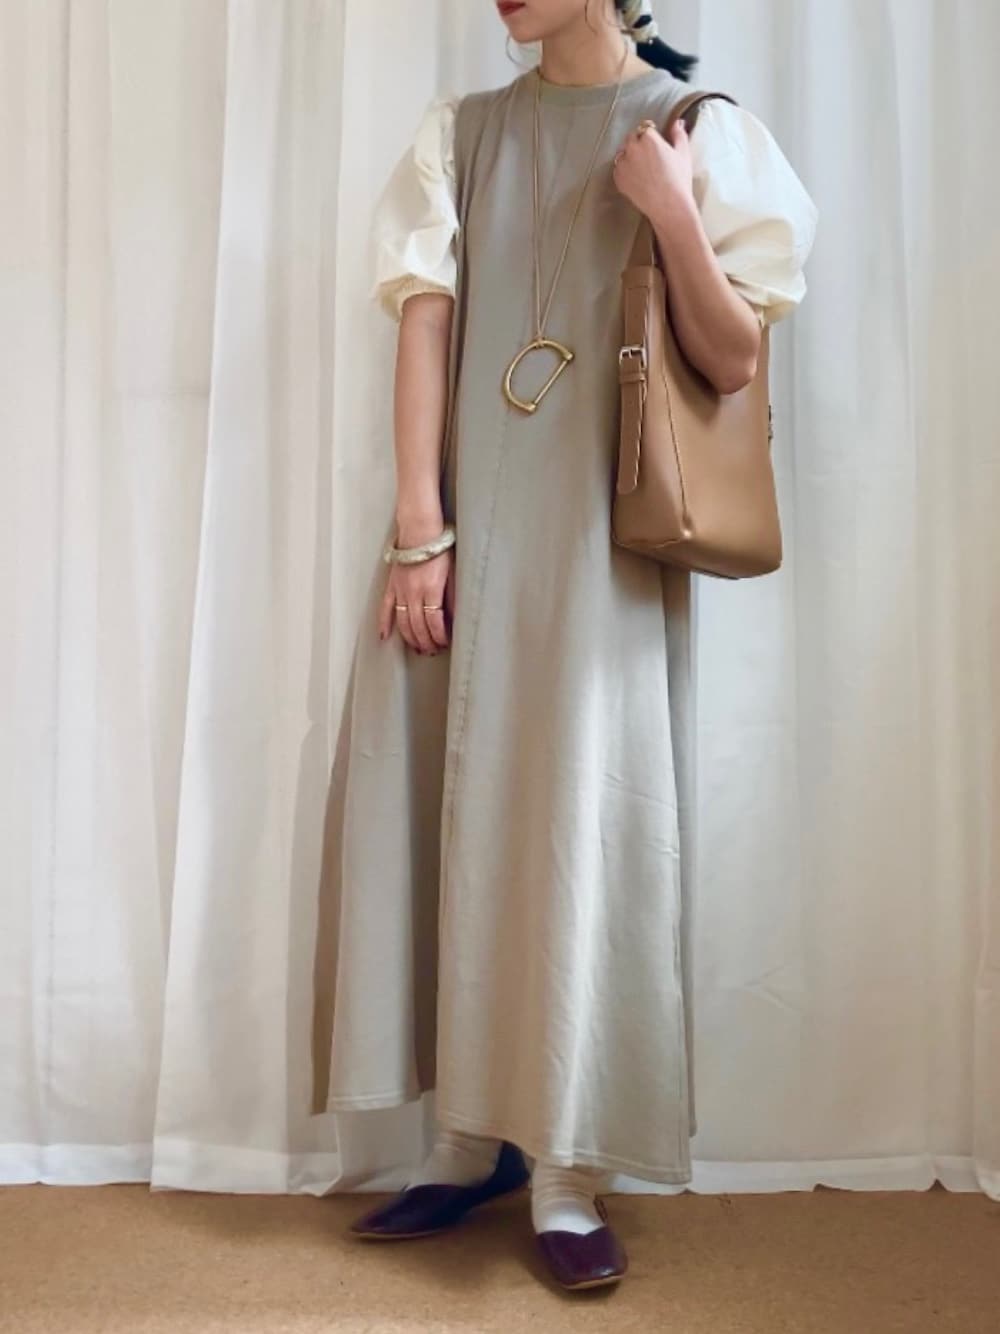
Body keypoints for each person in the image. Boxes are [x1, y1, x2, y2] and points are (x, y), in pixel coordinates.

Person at [311, 0, 817, 1292]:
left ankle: (567, 1167)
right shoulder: (463, 134)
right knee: (451, 812)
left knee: (575, 825)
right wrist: (419, 527)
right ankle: (465, 1138)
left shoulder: (695, 131)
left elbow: (734, 359)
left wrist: (674, 211)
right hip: (461, 535)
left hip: (602, 547)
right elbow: (426, 321)